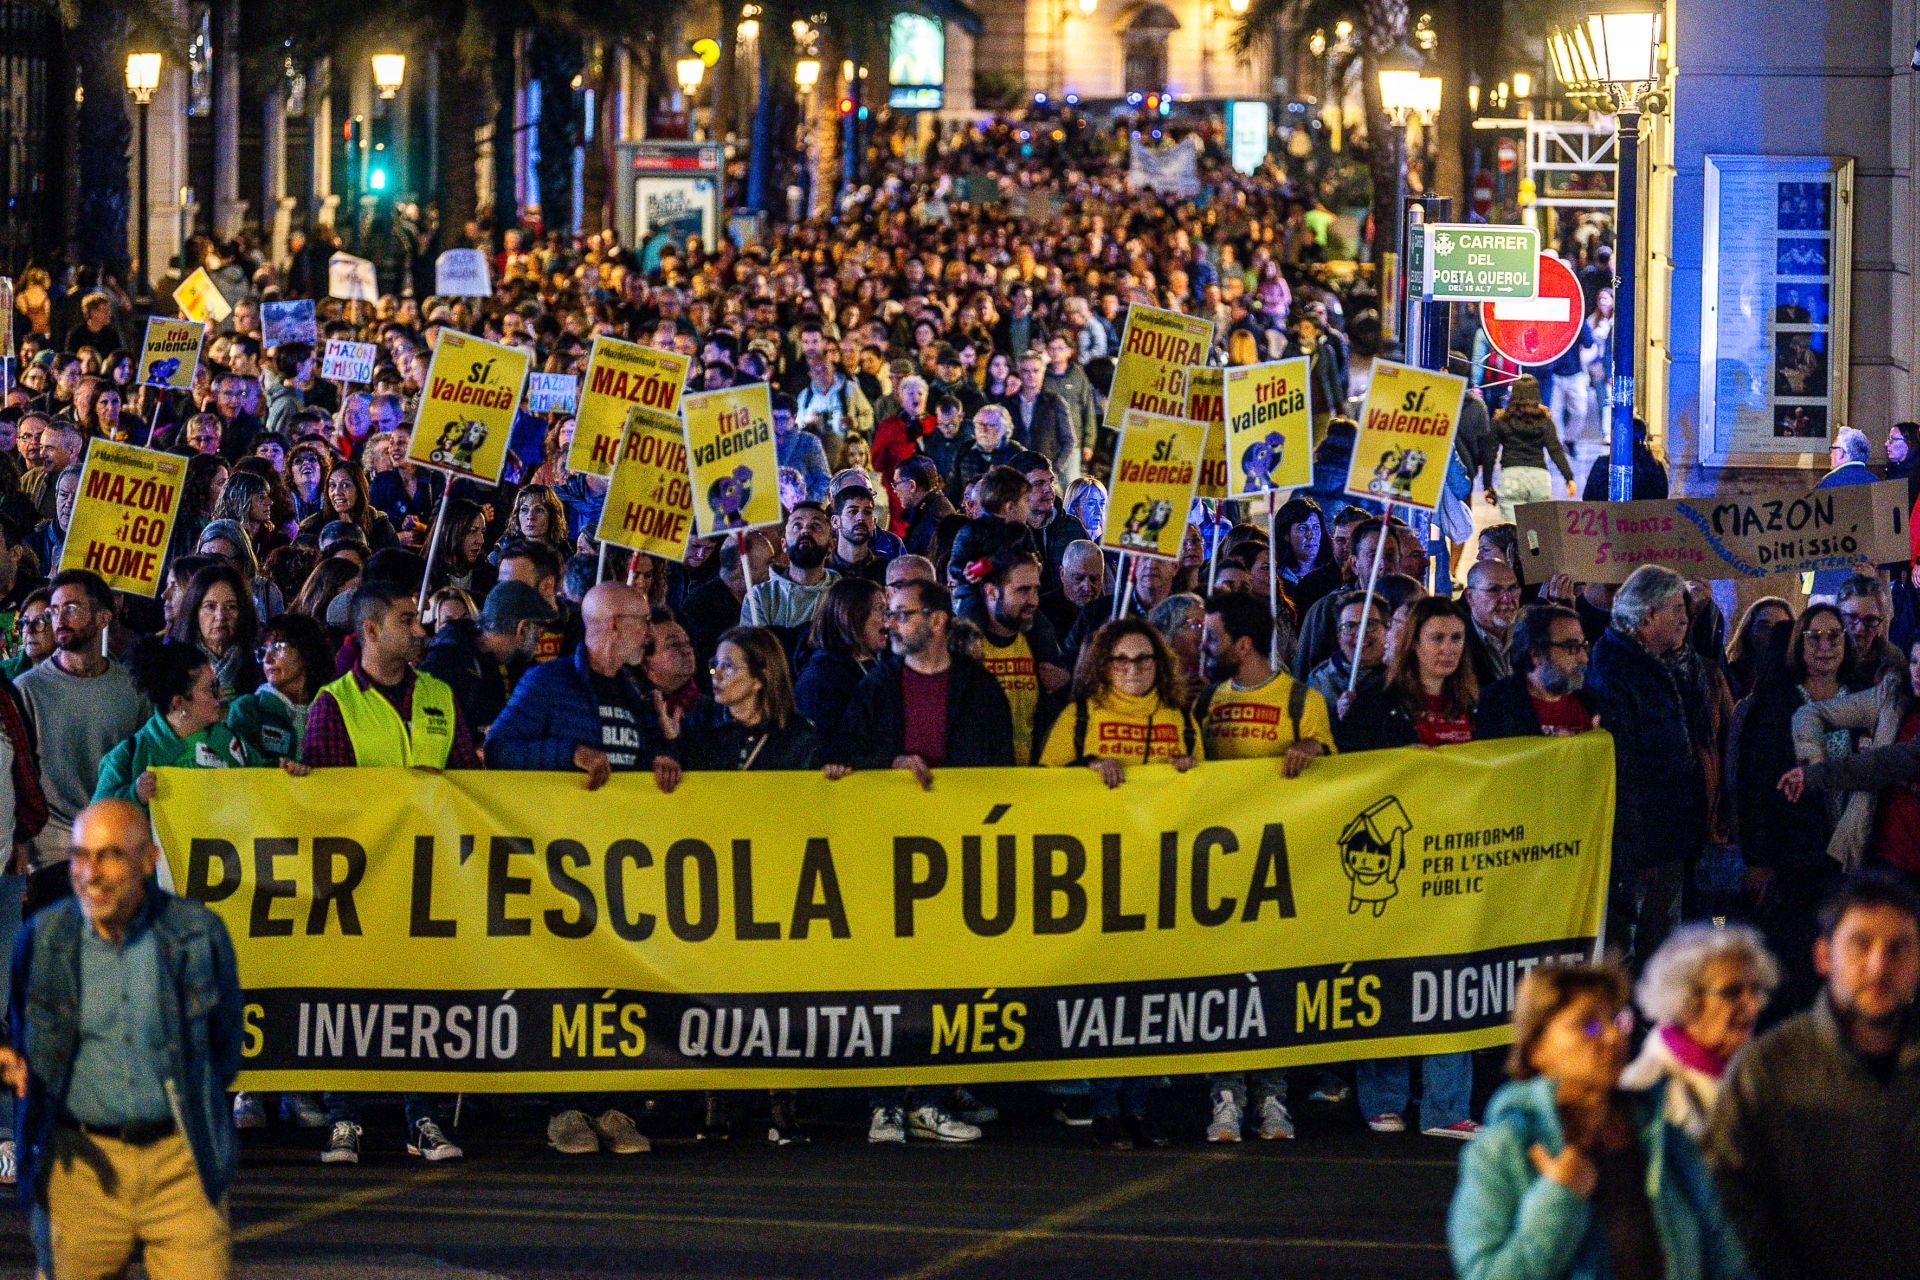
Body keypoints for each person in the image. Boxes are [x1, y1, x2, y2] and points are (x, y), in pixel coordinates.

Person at [1, 799, 244, 1280]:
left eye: (110, 855)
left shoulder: (196, 935)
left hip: (181, 1166)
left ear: (149, 859)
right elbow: (25, 1042)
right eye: (79, 856)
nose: (91, 873)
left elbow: (225, 1045)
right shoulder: (44, 939)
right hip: (78, 1169)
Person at [482, 582, 663, 1155]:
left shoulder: (634, 690)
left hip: (624, 870)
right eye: (639, 623)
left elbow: (646, 751)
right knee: (565, 988)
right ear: (610, 625)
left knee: (620, 988)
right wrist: (565, 755)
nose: (648, 634)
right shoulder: (548, 682)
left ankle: (613, 1107)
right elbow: (501, 751)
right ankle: (562, 1107)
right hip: (562, 867)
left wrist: (665, 759)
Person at [301, 580, 473, 1163]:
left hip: (425, 879)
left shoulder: (440, 696)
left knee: (420, 998)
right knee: (348, 994)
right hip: (357, 881)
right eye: (407, 618)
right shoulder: (335, 702)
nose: (420, 629)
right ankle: (344, 1117)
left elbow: (470, 778)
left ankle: (421, 1115)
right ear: (370, 630)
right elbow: (322, 802)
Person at [1448, 961, 1751, 1280]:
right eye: (1588, 1025)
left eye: (1618, 1021)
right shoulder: (1505, 1148)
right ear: (1536, 1049)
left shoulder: (1665, 1141)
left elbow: (1725, 1260)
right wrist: (1560, 1197)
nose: (1611, 1036)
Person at [1705, 872, 1920, 1280]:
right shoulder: (1768, 1068)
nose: (1879, 966)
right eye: (1861, 944)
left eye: (1898, 948)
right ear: (1824, 956)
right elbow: (1725, 1202)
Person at [1039, 617, 1198, 1148]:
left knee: (1149, 998)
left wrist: (1190, 768)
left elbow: (1212, 793)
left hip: (1160, 874)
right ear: (1102, 665)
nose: (1133, 669)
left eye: (1144, 659)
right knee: (1109, 998)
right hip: (1097, 877)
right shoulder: (1080, 717)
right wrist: (1088, 764)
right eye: (1122, 660)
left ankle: (1140, 1106)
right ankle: (1106, 1107)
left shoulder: (1180, 718)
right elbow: (1042, 784)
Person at [1332, 596, 1481, 1138]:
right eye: (1437, 639)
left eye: (1456, 639)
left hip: (1454, 864)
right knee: (1390, 978)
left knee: (1451, 979)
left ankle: (1446, 1106)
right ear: (1412, 642)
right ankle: (1383, 1098)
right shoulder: (1377, 701)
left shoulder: (1475, 703)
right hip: (1394, 864)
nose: (1447, 650)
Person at [1192, 588, 1334, 1143]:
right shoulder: (1206, 703)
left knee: (1271, 986)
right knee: (1221, 988)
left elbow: (1336, 770)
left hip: (1281, 870)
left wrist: (1312, 752)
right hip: (1219, 873)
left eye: (1213, 636)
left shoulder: (1301, 701)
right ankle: (1225, 1096)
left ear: (1243, 643)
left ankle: (1273, 1096)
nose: (1204, 644)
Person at [1587, 565, 1711, 970]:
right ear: (1646, 616)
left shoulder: (1658, 664)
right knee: (1642, 955)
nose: (1684, 618)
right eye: (1676, 608)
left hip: (1666, 837)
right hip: (1642, 845)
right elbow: (1627, 765)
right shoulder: (1616, 670)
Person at [16, 570, 150, 867]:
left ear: (103, 618)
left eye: (72, 608)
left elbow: (140, 764)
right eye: (54, 610)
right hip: (48, 852)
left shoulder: (132, 689)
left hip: (114, 843)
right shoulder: (27, 690)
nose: (60, 618)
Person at [1620, 924, 1778, 1139]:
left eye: (1756, 989)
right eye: (1731, 992)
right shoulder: (1644, 1093)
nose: (1752, 1006)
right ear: (1685, 1001)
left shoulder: (1758, 1074)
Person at [92, 638, 284, 810]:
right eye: (212, 689)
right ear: (179, 702)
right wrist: (135, 796)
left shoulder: (229, 740)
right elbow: (97, 821)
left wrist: (283, 769)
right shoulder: (128, 756)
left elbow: (262, 776)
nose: (221, 695)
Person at [419, 580, 555, 736]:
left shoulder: (507, 663)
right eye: (537, 636)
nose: (537, 644)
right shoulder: (448, 664)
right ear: (522, 629)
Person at [1474, 605, 1598, 738]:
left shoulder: (1595, 705)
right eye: (1572, 647)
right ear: (1536, 654)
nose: (1584, 658)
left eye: (1583, 646)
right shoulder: (1492, 709)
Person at [227, 613, 333, 764]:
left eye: (278, 647)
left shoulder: (332, 706)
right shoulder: (247, 709)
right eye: (263, 652)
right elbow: (241, 769)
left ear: (306, 651)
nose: (267, 659)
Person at [166, 562, 263, 709]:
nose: (220, 616)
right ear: (194, 611)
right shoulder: (172, 665)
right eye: (210, 606)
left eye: (231, 607)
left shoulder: (261, 665)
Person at [1489, 374, 1577, 523]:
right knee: (1536, 536)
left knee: (1513, 535)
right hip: (1539, 478)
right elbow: (1555, 449)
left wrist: (1487, 484)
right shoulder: (1544, 419)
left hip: (1511, 476)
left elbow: (1490, 452)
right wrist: (1569, 477)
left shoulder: (1501, 419)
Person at [745, 503, 839, 634]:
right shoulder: (759, 596)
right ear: (783, 543)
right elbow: (757, 650)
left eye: (815, 526)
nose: (805, 531)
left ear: (831, 545)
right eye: (797, 525)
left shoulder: (843, 596)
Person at [1462, 558, 1524, 688]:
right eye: (1495, 590)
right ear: (1470, 596)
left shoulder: (1529, 632)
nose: (1507, 599)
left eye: (1513, 588)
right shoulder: (1457, 641)